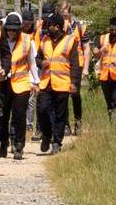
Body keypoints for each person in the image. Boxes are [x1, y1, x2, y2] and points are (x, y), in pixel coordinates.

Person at [0, 11, 38, 161]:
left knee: (19, 116)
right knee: (3, 115)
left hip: (22, 84)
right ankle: (3, 143)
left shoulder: (27, 41)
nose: (12, 32)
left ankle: (19, 145)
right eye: (9, 29)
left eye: (15, 29)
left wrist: (35, 81)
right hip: (4, 83)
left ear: (19, 29)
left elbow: (32, 63)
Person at [35, 13, 78, 154]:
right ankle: (46, 135)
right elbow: (37, 58)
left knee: (60, 115)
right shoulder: (44, 40)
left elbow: (75, 64)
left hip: (62, 84)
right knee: (41, 110)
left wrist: (74, 83)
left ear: (57, 27)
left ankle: (56, 142)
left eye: (50, 26)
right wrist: (41, 63)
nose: (47, 29)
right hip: (46, 83)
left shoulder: (70, 41)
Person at [57, 1, 88, 135]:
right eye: (62, 14)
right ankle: (65, 126)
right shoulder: (57, 27)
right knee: (63, 95)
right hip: (62, 64)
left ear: (70, 13)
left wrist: (86, 68)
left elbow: (86, 48)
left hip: (77, 65)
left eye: (66, 14)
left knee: (75, 94)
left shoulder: (79, 27)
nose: (64, 17)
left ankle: (78, 123)